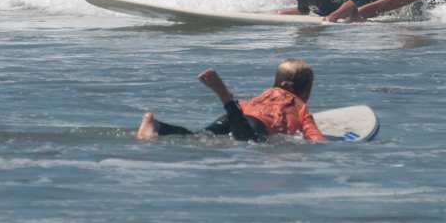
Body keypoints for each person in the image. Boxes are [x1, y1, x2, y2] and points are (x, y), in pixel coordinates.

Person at [136, 59, 325, 143]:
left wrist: (235, 109)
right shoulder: (299, 106)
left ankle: (157, 126)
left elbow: (245, 106)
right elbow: (315, 138)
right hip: (256, 125)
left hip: (238, 113)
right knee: (250, 140)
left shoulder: (263, 95)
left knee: (199, 136)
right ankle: (224, 95)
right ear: (298, 89)